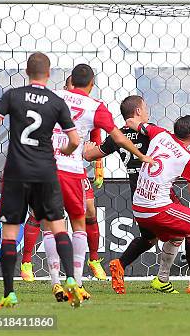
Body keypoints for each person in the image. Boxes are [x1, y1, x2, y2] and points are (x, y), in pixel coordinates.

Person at [45, 64, 152, 301]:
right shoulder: (95, 107)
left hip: (43, 167)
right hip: (71, 170)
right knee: (79, 224)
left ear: (70, 81)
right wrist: (142, 155)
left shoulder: (53, 97)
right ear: (92, 84)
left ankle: (55, 283)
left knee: (50, 225)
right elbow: (118, 137)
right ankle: (77, 283)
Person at [0, 52, 83, 308]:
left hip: (17, 172)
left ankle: (9, 293)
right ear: (49, 73)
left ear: (27, 72)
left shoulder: (12, 95)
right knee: (57, 227)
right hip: (45, 172)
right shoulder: (56, 100)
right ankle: (72, 280)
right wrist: (66, 152)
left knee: (10, 232)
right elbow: (74, 141)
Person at [84, 95, 190, 295]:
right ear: (138, 111)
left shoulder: (118, 135)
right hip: (157, 189)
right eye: (145, 108)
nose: (147, 112)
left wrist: (88, 150)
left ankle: (122, 265)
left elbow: (91, 155)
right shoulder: (150, 132)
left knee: (149, 238)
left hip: (137, 192)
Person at [125, 114, 190, 295]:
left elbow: (130, 122)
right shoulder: (188, 157)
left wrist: (140, 125)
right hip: (156, 208)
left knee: (178, 233)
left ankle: (162, 280)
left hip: (138, 205)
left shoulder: (159, 133)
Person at [20, 75, 107, 283]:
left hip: (75, 169)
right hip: (49, 165)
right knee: (39, 213)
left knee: (89, 210)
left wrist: (99, 167)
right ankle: (27, 262)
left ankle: (93, 260)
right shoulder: (52, 105)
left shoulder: (88, 109)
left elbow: (96, 139)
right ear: (65, 86)